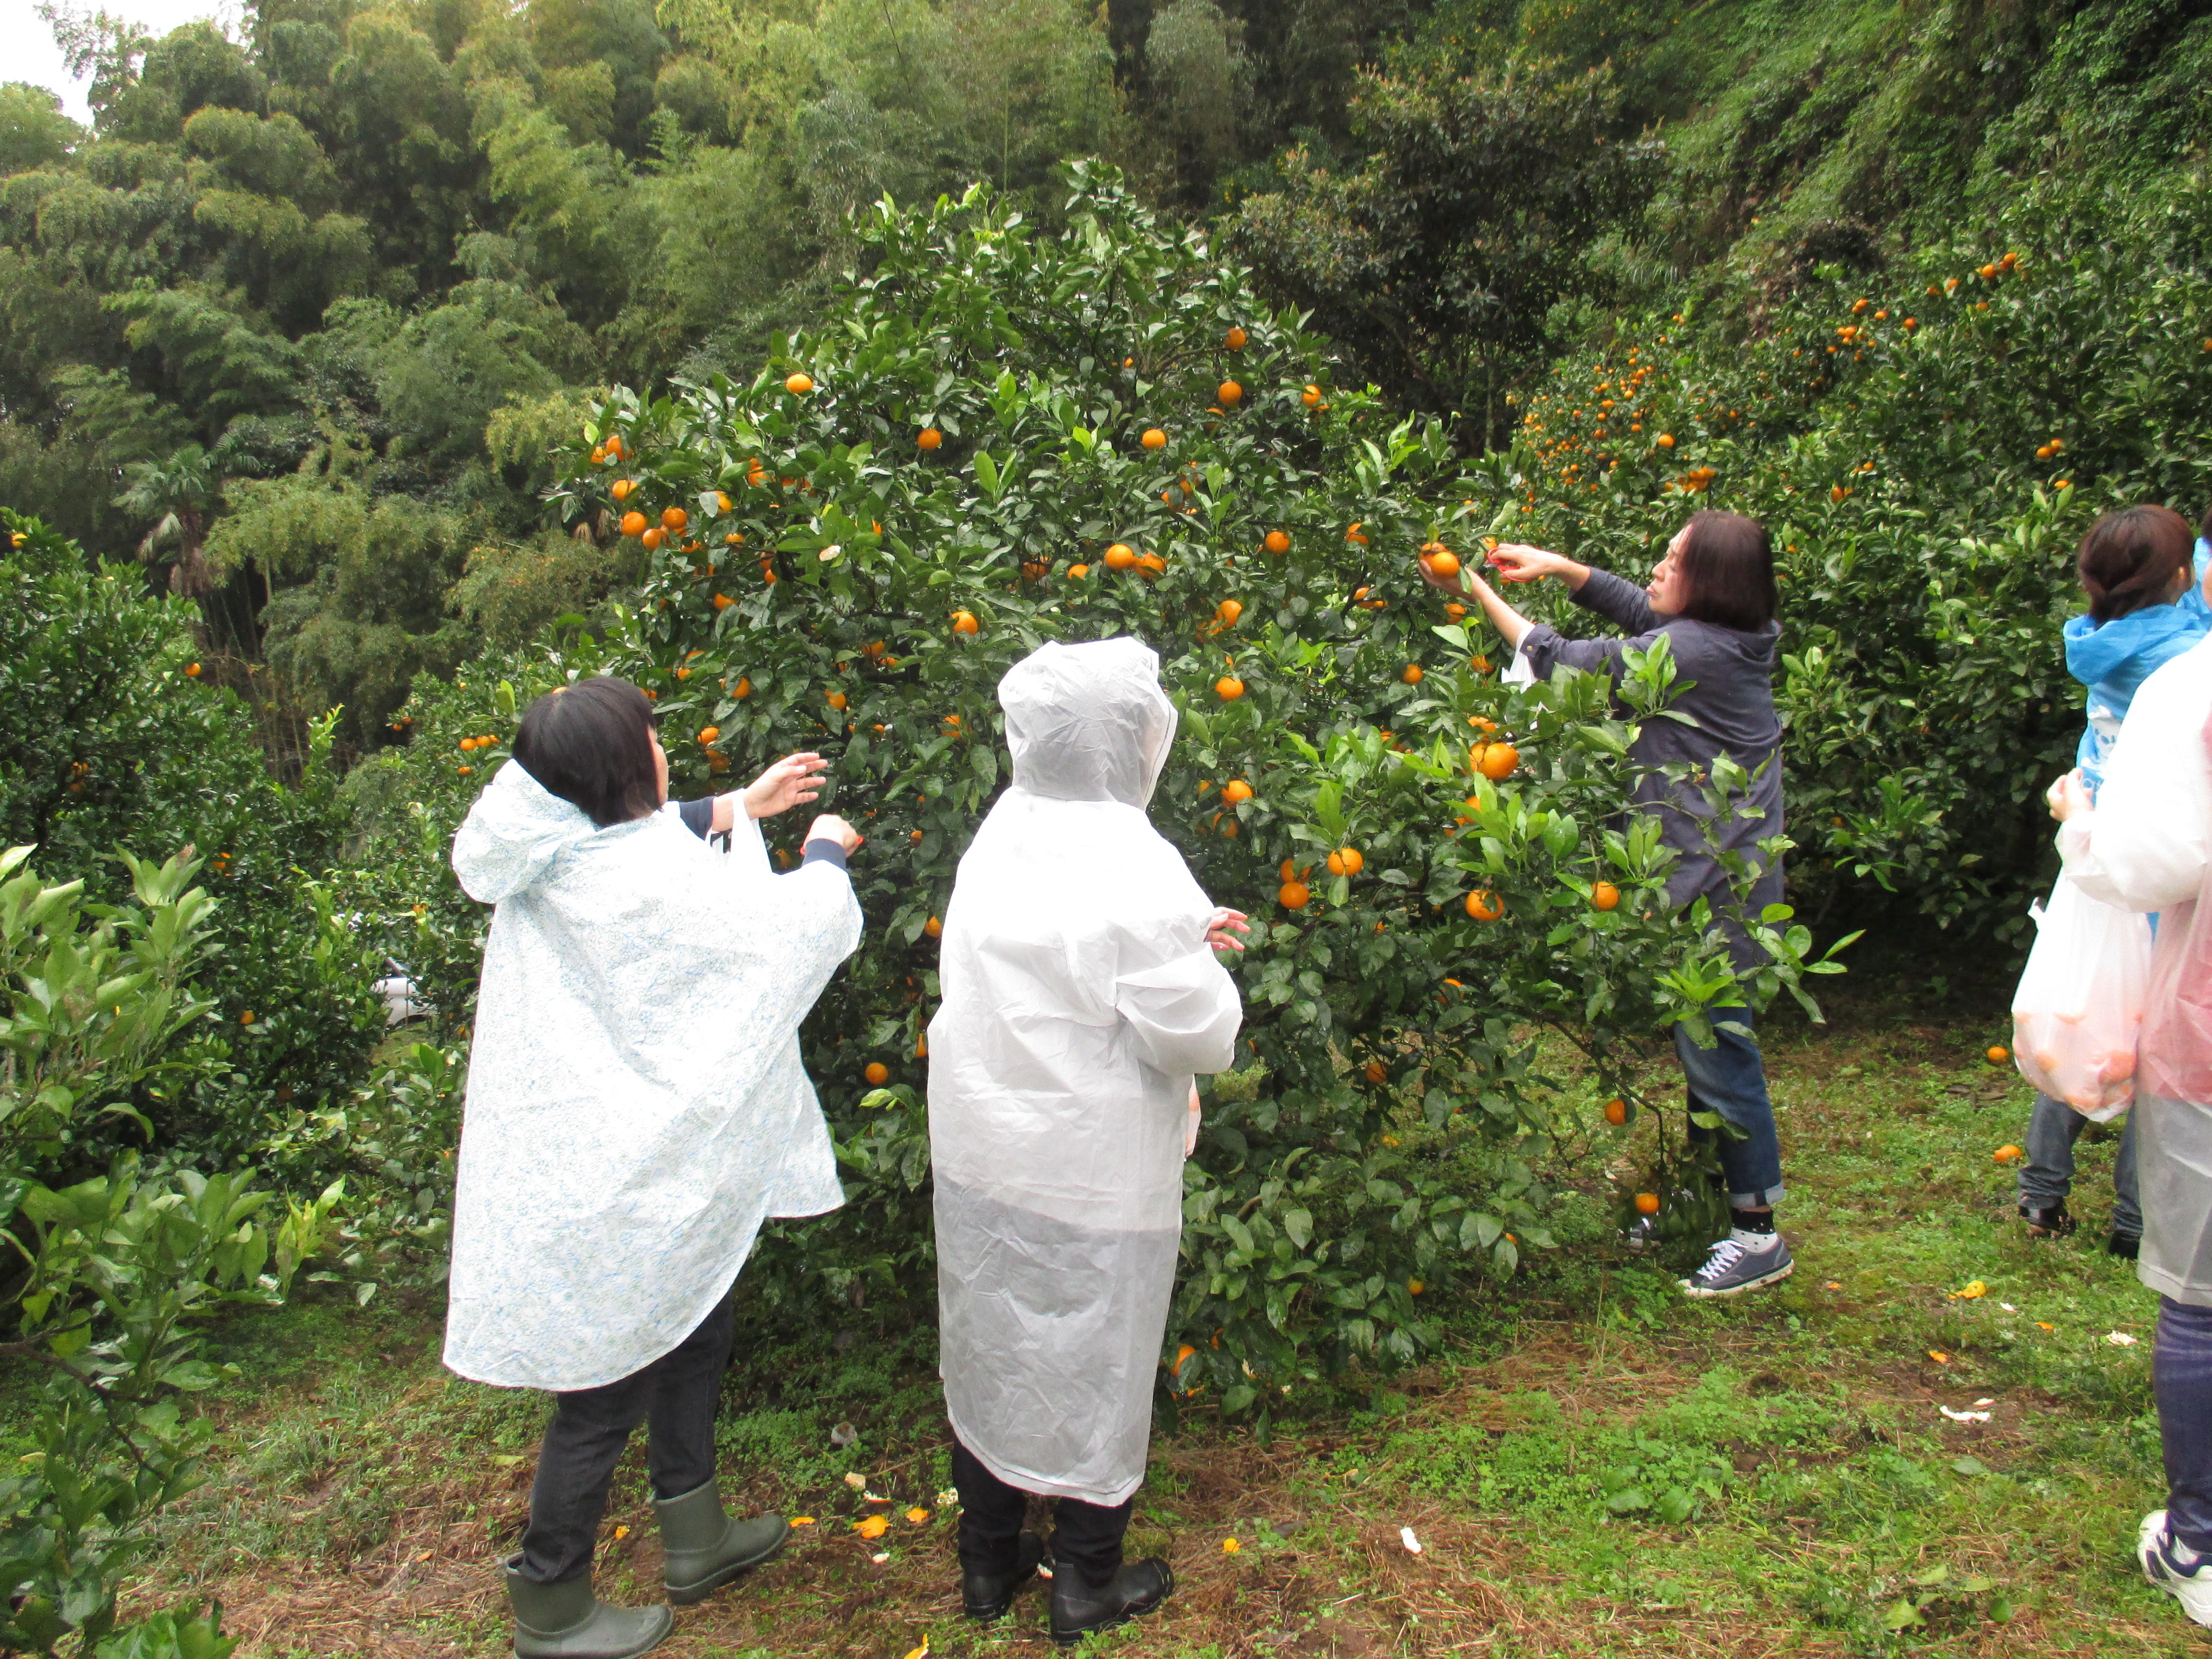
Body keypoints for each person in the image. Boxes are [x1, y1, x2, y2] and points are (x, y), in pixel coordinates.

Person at [446, 675, 864, 1659]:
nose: (663, 749)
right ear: (625, 766)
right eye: (651, 738)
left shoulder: (557, 850)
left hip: (627, 1164)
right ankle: (550, 1604)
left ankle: (695, 1534)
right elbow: (789, 935)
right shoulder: (644, 878)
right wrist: (827, 856)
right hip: (627, 1178)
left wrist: (737, 808)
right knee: (602, 1391)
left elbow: (637, 831)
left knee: (695, 1329)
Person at [927, 638, 1248, 1646]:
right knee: (1096, 1355)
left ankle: (988, 1564)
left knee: (993, 1342)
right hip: (1092, 1162)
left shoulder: (1003, 831)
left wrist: (1178, 947)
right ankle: (1085, 1585)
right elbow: (1200, 1032)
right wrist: (1196, 959)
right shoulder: (1138, 862)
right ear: (1131, 740)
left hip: (987, 1146)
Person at [1421, 512, 1792, 1298]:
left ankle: (1759, 1235)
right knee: (1704, 1042)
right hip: (1716, 874)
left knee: (1722, 1051)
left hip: (1715, 885)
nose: (1657, 566)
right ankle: (1709, 1199)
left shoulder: (1693, 649)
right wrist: (1561, 567)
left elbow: (1565, 662)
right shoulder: (1731, 637)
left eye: (1673, 559)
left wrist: (1474, 587)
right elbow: (1640, 614)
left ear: (1712, 584)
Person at [2044, 554, 2212, 1627]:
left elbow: (2146, 864)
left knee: (2202, 1300)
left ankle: (2198, 1541)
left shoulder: (2189, 688)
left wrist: (2075, 817)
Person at [2018, 505, 2208, 1251]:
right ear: (2185, 578)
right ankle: (2136, 1220)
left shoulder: (2102, 639)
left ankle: (2041, 1193)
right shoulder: (2187, 652)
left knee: (2083, 1017)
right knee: (2153, 1038)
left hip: (2092, 848)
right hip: (2154, 865)